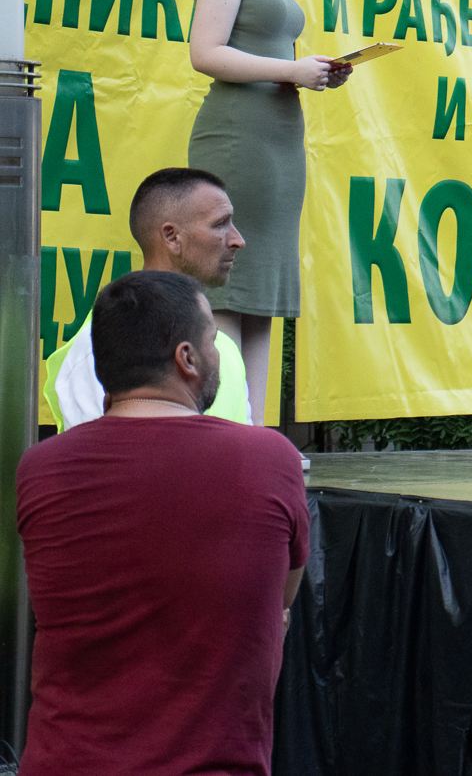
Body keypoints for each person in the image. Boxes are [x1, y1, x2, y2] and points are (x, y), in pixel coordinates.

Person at [17, 270, 309, 775]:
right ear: (187, 359)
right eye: (213, 340)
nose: (218, 353)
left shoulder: (41, 468)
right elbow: (280, 598)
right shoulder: (268, 460)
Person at [188, 0, 347, 428]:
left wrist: (316, 71)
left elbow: (268, 54)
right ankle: (228, 430)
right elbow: (205, 53)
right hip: (238, 138)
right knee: (231, 287)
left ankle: (257, 435)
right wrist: (290, 70)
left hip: (279, 137)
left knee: (265, 294)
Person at [44, 167, 250, 427]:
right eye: (220, 224)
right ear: (172, 237)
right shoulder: (96, 347)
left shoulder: (226, 349)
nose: (237, 240)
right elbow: (102, 461)